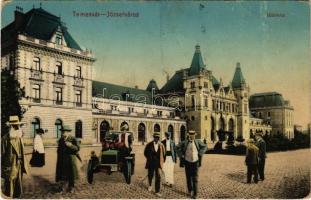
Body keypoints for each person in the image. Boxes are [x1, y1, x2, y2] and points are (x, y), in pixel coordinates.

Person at [1, 116, 29, 198]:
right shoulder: (5, 139)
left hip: (19, 164)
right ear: (11, 127)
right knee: (10, 188)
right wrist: (4, 168)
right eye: (16, 126)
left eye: (18, 126)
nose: (18, 128)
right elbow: (1, 154)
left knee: (18, 185)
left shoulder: (19, 138)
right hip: (10, 166)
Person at [176, 130, 207, 199]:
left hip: (195, 162)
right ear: (188, 135)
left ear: (194, 135)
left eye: (193, 135)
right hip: (187, 162)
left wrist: (200, 153)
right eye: (190, 134)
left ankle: (195, 194)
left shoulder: (198, 141)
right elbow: (177, 147)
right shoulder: (184, 142)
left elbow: (204, 147)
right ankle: (190, 190)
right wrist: (181, 155)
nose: (192, 136)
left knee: (195, 178)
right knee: (188, 178)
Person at [55, 125, 80, 193]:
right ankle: (63, 187)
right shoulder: (61, 139)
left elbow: (77, 148)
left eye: (64, 132)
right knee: (63, 174)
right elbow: (59, 149)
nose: (63, 133)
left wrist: (71, 145)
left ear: (69, 132)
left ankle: (71, 187)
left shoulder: (73, 139)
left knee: (71, 174)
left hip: (70, 159)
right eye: (62, 132)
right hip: (62, 160)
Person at [144, 132, 166, 197]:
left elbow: (164, 154)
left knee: (158, 177)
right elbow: (145, 153)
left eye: (158, 138)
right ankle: (150, 185)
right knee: (150, 175)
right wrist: (149, 158)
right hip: (151, 163)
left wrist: (162, 162)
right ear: (154, 137)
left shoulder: (161, 145)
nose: (157, 139)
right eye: (156, 137)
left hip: (158, 164)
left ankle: (157, 191)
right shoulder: (149, 145)